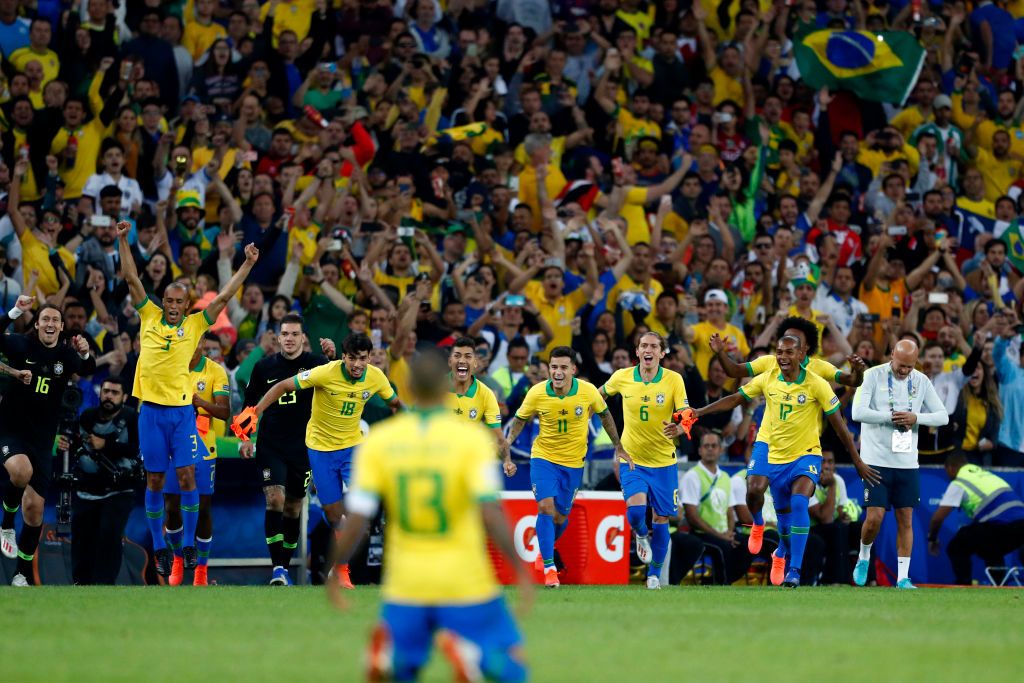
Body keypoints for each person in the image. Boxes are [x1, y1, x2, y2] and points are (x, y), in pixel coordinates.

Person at [326, 350, 532, 682]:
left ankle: (391, 659)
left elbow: (358, 516)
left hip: (406, 583)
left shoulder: (380, 442)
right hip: (464, 580)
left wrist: (336, 569)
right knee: (513, 666)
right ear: (442, 388)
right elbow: (490, 511)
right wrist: (521, 569)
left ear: (407, 386)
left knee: (405, 671)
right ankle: (475, 657)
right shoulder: (470, 441)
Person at [117, 219, 259, 577]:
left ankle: (191, 546)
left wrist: (247, 264)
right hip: (149, 412)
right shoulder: (147, 315)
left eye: (180, 301)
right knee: (153, 482)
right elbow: (133, 279)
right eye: (169, 299)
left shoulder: (195, 324)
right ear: (162, 301)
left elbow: (225, 296)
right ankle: (162, 547)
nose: (174, 305)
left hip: (181, 413)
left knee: (186, 480)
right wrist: (123, 240)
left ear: (186, 304)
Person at [694, 335, 876, 588]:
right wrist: (700, 412)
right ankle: (763, 531)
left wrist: (857, 460)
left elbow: (840, 425)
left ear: (802, 355)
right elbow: (736, 397)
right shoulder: (768, 375)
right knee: (758, 495)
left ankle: (794, 570)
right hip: (773, 451)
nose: (782, 357)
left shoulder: (817, 382)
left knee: (800, 502)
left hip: (806, 453)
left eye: (789, 352)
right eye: (780, 352)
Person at [252, 333, 401, 590]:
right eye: (352, 358)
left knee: (360, 512)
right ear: (343, 357)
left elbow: (396, 404)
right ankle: (338, 570)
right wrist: (255, 412)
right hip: (319, 450)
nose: (357, 364)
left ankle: (342, 570)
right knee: (334, 514)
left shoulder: (376, 377)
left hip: (352, 450)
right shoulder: (325, 372)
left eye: (362, 359)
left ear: (369, 358)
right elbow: (283, 386)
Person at [711, 316, 865, 555]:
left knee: (792, 505)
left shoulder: (818, 369)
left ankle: (786, 557)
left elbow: (851, 381)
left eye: (795, 343)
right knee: (754, 490)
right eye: (783, 344)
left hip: (802, 446)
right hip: (768, 440)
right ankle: (758, 524)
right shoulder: (770, 364)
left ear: (805, 349)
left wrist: (857, 371)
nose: (786, 351)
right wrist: (721, 354)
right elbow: (734, 372)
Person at [505, 345, 629, 588]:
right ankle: (550, 569)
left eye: (563, 367)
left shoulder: (588, 391)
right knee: (545, 507)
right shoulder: (537, 392)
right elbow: (519, 420)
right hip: (543, 458)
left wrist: (618, 445)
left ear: (573, 369)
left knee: (561, 517)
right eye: (553, 367)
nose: (557, 372)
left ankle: (544, 551)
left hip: (573, 463)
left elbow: (604, 415)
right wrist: (507, 443)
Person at [0, 297, 95, 586]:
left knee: (35, 511)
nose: (50, 324)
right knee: (20, 471)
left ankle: (22, 573)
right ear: (37, 324)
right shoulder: (21, 345)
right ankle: (5, 525)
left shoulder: (66, 356)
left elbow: (88, 369)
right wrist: (15, 310)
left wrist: (87, 352)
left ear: (62, 327)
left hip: (42, 440)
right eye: (45, 319)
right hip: (11, 430)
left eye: (55, 320)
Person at [240, 313, 335, 586]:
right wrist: (246, 438)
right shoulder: (263, 367)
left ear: (303, 338)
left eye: (295, 334)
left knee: (293, 507)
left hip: (304, 446)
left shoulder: (317, 364)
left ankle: (283, 566)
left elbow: (342, 381)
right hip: (271, 444)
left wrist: (332, 357)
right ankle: (278, 569)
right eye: (285, 334)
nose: (290, 339)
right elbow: (249, 404)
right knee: (275, 500)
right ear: (278, 337)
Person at [851, 339, 949, 589]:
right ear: (892, 353)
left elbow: (942, 416)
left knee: (906, 519)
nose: (904, 370)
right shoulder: (872, 375)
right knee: (874, 519)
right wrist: (890, 417)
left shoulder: (921, 381)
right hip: (875, 461)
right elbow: (857, 413)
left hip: (907, 462)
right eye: (901, 364)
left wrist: (916, 417)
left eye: (909, 366)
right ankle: (864, 556)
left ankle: (903, 577)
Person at [600, 331, 689, 589]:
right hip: (632, 459)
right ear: (637, 352)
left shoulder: (674, 380)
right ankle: (640, 533)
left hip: (663, 462)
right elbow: (598, 396)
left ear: (662, 353)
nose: (647, 350)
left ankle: (653, 575)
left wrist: (681, 428)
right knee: (637, 512)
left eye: (653, 346)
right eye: (643, 346)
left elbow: (686, 413)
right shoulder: (622, 377)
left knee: (662, 519)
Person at [162, 334, 230, 587]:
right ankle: (178, 559)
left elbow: (224, 412)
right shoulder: (169, 367)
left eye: (196, 341)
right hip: (172, 442)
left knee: (202, 508)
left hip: (203, 445)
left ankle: (201, 568)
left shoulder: (215, 372)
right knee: (171, 505)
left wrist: (199, 403)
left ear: (202, 344)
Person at [70, 376, 141, 585]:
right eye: (106, 391)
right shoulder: (87, 416)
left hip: (120, 489)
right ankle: (80, 583)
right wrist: (70, 444)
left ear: (124, 397)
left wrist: (106, 444)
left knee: (110, 535)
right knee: (82, 538)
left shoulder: (132, 418)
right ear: (100, 392)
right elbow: (77, 445)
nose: (109, 396)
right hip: (86, 488)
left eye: (115, 392)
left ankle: (104, 584)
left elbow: (136, 449)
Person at [928, 452, 1024, 585]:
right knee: (990, 545)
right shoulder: (984, 474)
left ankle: (963, 585)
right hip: (1020, 524)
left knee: (957, 546)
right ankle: (1000, 585)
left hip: (1002, 525)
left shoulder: (960, 482)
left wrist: (932, 538)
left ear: (950, 468)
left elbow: (938, 518)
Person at [681, 431, 751, 585]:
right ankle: (721, 586)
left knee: (747, 545)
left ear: (721, 450)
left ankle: (713, 582)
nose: (710, 449)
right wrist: (721, 536)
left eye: (714, 446)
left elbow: (730, 512)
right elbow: (692, 517)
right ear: (700, 450)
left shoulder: (725, 477)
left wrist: (730, 532)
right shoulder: (692, 476)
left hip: (725, 533)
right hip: (702, 533)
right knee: (723, 547)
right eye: (706, 446)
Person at [447, 336, 515, 476]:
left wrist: (507, 460)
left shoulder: (486, 394)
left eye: (468, 356)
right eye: (457, 356)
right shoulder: (436, 389)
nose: (462, 360)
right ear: (450, 361)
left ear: (475, 363)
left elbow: (498, 436)